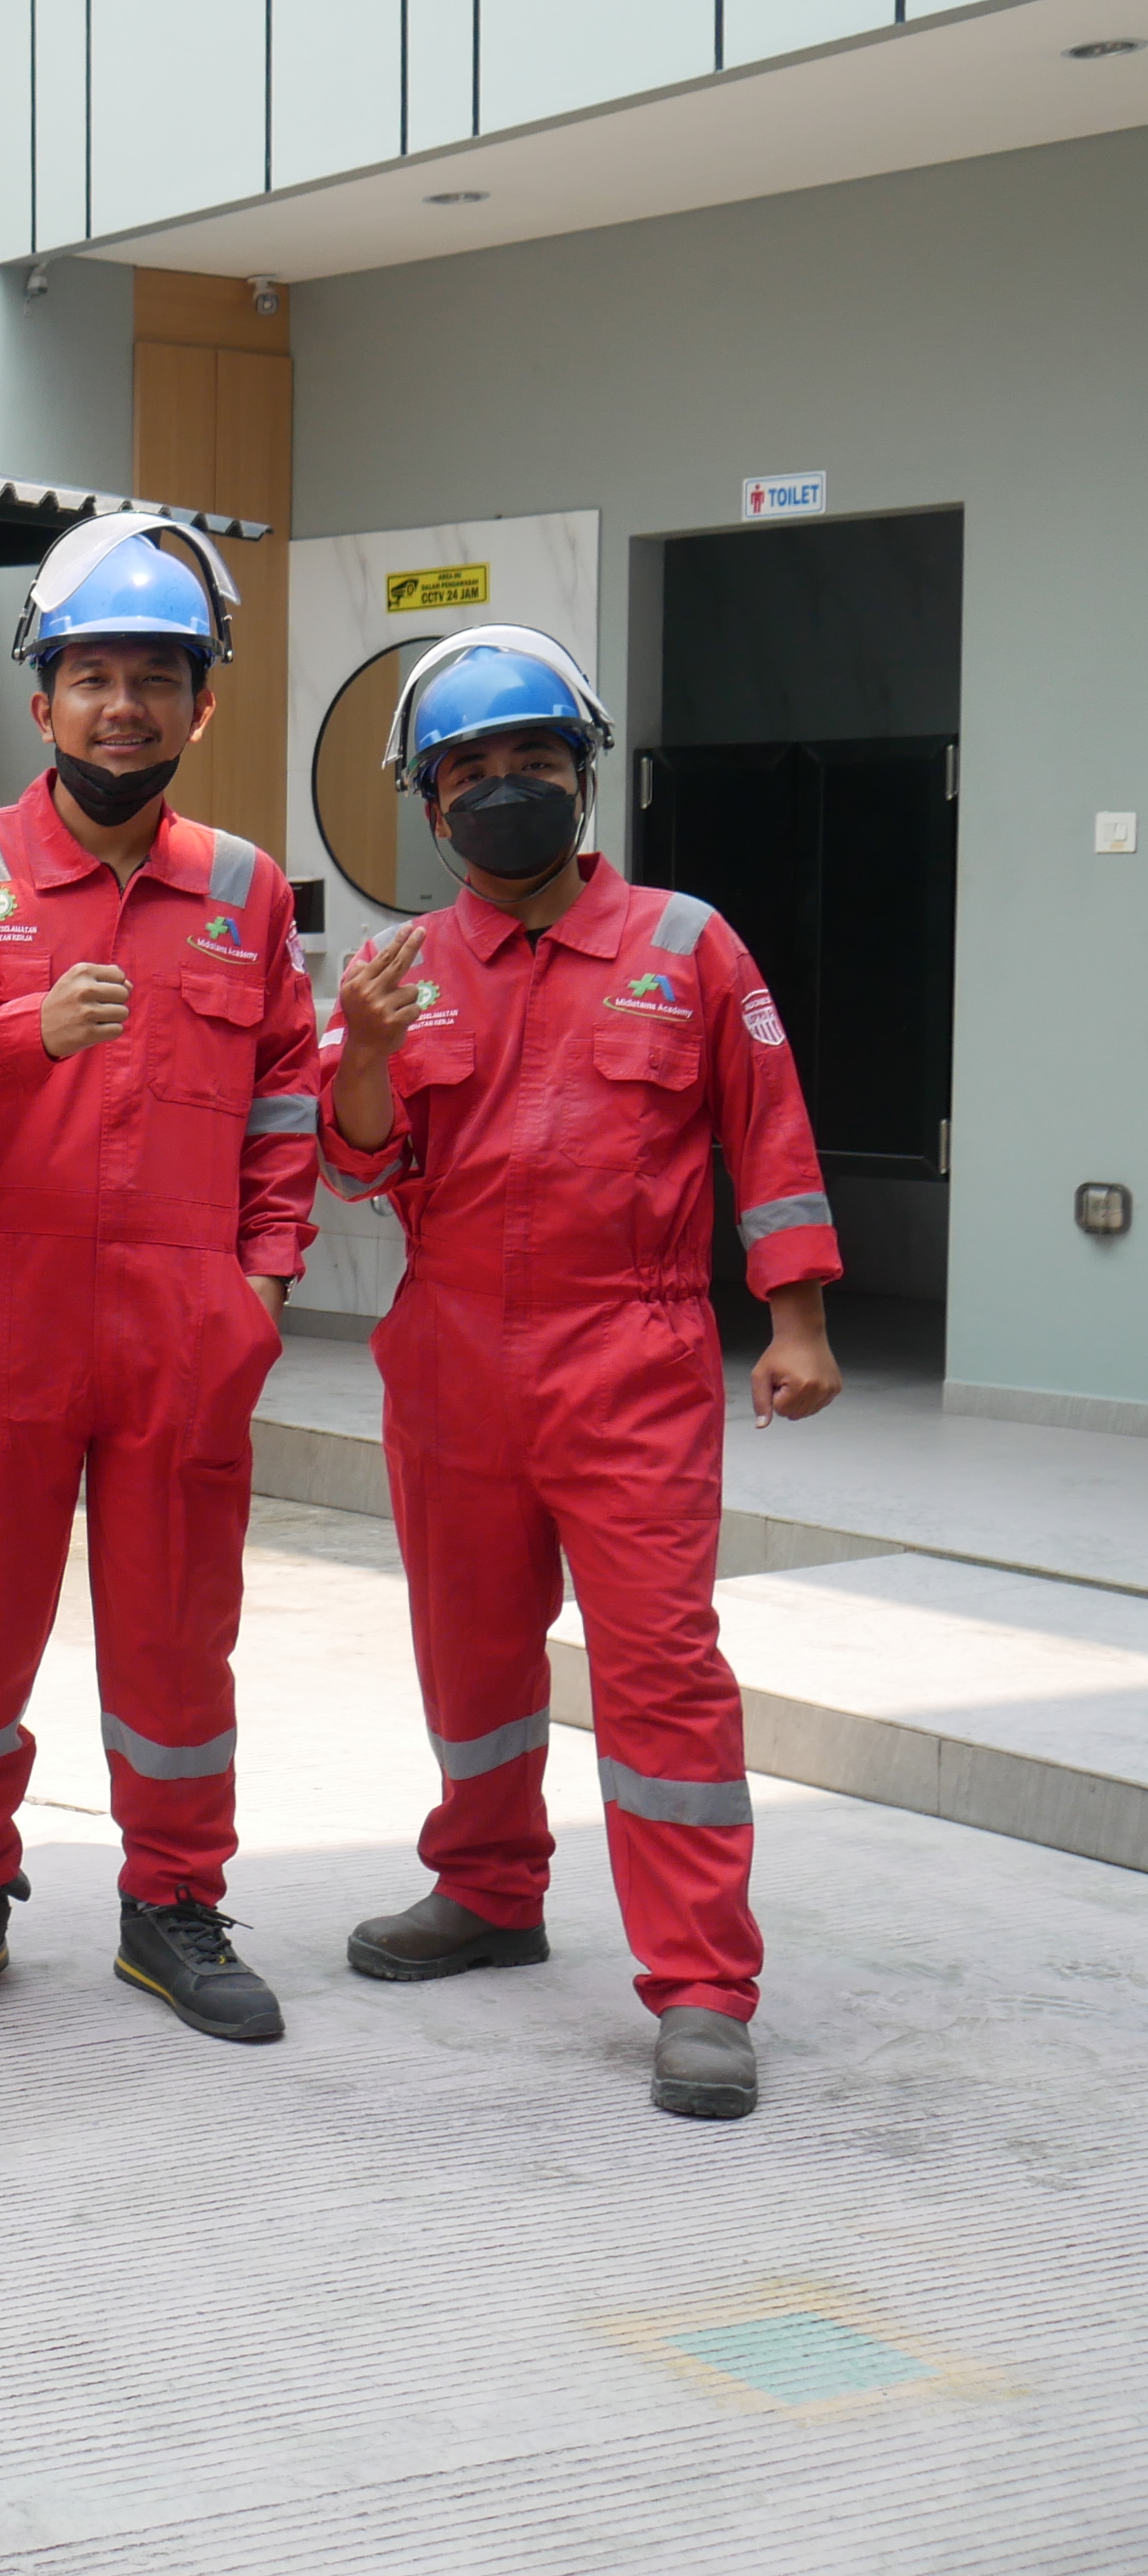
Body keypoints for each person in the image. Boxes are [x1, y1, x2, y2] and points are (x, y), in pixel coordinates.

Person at [320, 624, 840, 2122]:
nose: (505, 789)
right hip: (451, 1356)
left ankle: (702, 1984)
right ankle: (488, 1890)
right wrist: (365, 1051)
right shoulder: (398, 971)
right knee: (471, 1651)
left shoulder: (688, 944)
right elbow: (357, 1166)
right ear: (429, 803)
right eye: (470, 769)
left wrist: (796, 1316)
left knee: (660, 1667)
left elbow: (770, 1127)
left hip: (632, 1351)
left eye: (533, 761)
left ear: (583, 775)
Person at [0, 514, 318, 2046]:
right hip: (3, 1308)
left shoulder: (248, 887)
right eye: (94, 677)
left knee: (179, 1635)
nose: (124, 706)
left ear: (203, 705)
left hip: (186, 1324)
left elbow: (286, 1097)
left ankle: (173, 1903)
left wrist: (262, 1282)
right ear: (42, 699)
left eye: (157, 679)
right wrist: (25, 1031)